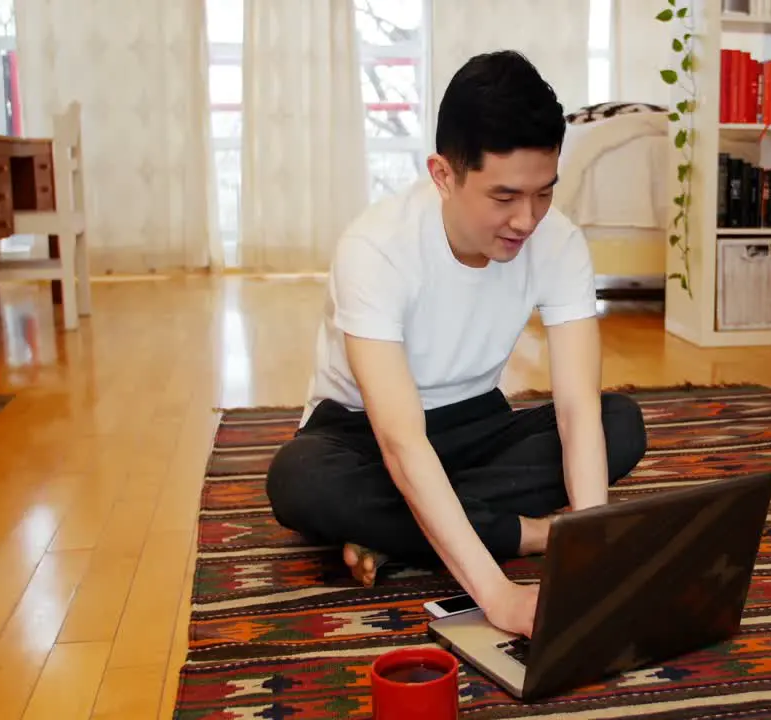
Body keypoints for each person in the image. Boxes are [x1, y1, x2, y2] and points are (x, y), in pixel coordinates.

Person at [264, 50, 649, 639]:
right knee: (301, 481)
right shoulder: (376, 247)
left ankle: (401, 531)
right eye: (504, 197)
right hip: (364, 434)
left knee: (620, 424)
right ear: (443, 174)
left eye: (544, 192)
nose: (527, 219)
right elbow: (401, 441)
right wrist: (500, 594)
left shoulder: (559, 240)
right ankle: (527, 531)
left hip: (475, 426)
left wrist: (590, 549)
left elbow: (576, 407)